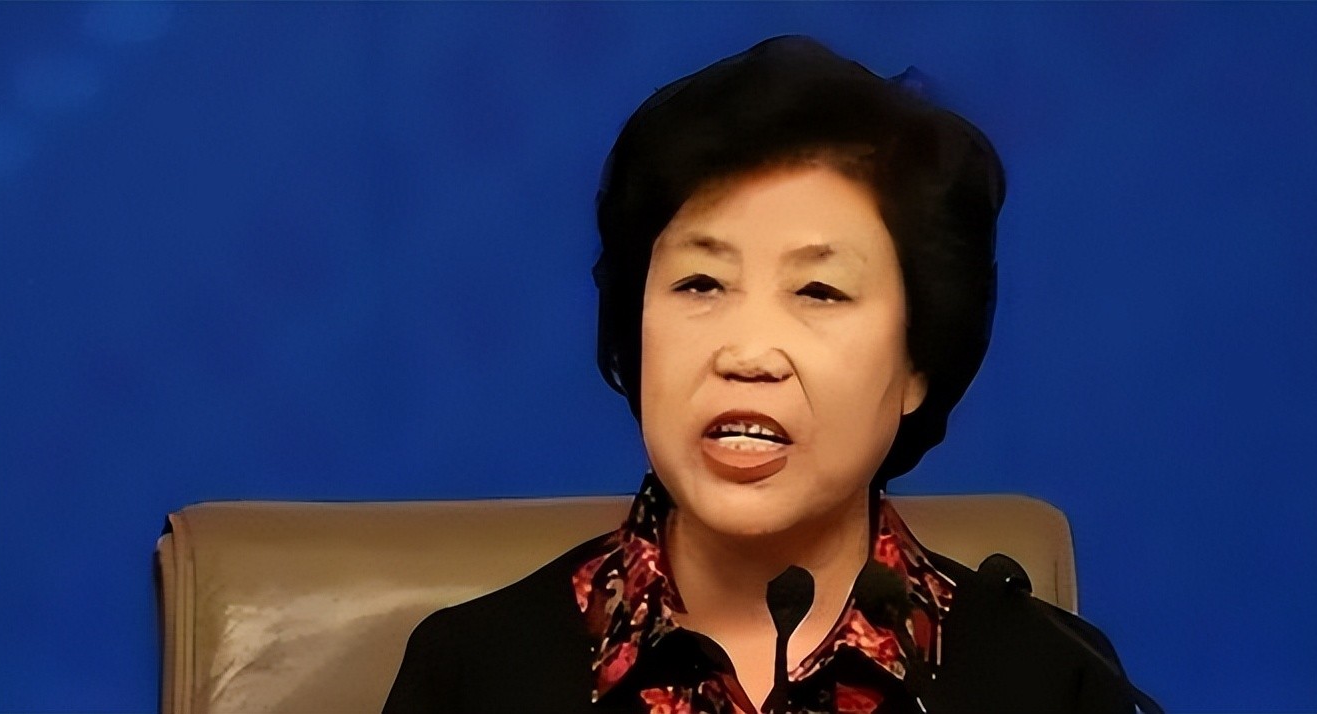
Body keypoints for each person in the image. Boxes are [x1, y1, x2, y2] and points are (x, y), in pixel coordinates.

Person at [385, 36, 1155, 714]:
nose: (747, 355)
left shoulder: (1049, 681)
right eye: (700, 284)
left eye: (818, 291)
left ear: (918, 362)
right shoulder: (473, 673)